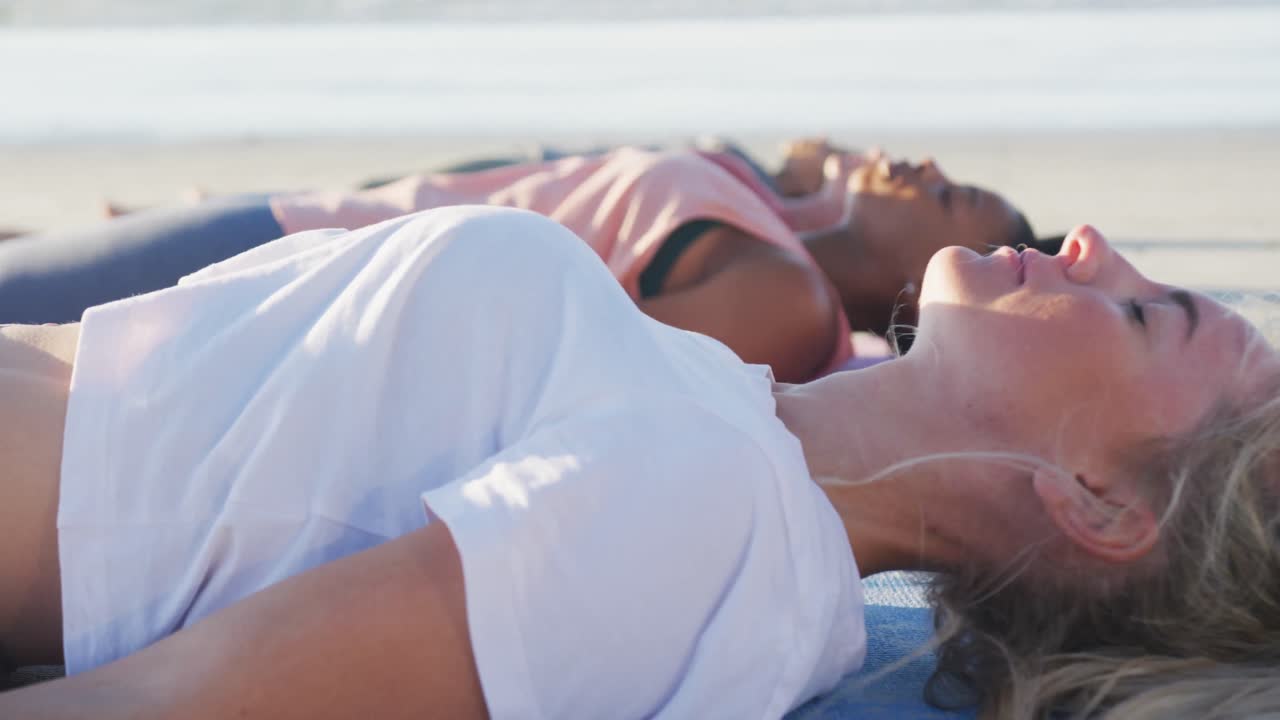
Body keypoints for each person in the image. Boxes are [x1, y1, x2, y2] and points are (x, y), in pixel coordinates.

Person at [0, 207, 1276, 719]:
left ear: (1094, 500)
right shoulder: (727, 435)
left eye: (1142, 314)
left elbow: (167, 706)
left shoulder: (713, 517)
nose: (1091, 242)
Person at [0, 142, 1047, 381]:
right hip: (294, 227)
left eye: (956, 198)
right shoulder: (767, 208)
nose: (930, 169)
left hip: (284, 278)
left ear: (923, 287)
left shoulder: (784, 301)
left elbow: (548, 380)